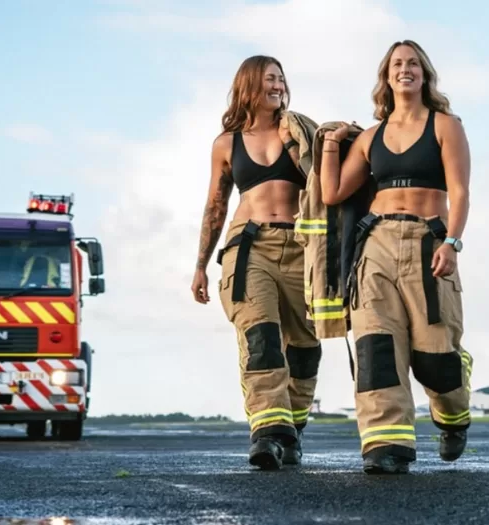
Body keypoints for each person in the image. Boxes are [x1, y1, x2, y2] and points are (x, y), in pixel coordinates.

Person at [319, 40, 473, 475]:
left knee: (436, 354)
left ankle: (453, 417)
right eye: (396, 65)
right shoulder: (370, 138)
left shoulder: (445, 126)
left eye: (412, 64)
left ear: (424, 73)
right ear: (386, 77)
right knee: (377, 347)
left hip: (429, 242)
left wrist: (453, 243)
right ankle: (386, 445)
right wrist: (332, 143)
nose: (404, 69)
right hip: (377, 245)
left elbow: (459, 191)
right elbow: (333, 193)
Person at [190, 55, 322, 471]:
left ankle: (292, 429)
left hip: (303, 247)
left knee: (304, 348)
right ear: (250, 84)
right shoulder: (226, 143)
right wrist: (200, 265)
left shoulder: (301, 131)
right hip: (250, 248)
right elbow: (215, 207)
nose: (278, 85)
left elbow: (333, 184)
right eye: (270, 78)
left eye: (282, 78)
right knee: (261, 337)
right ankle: (266, 434)